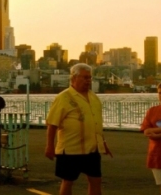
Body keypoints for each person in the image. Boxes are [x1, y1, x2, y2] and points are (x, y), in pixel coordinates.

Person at [45, 63, 111, 195]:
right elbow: (52, 124)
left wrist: (102, 143)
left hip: (92, 149)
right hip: (70, 149)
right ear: (73, 78)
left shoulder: (94, 97)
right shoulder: (64, 97)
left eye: (90, 77)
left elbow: (96, 123)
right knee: (68, 181)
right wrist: (50, 146)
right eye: (85, 77)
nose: (88, 80)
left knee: (96, 180)